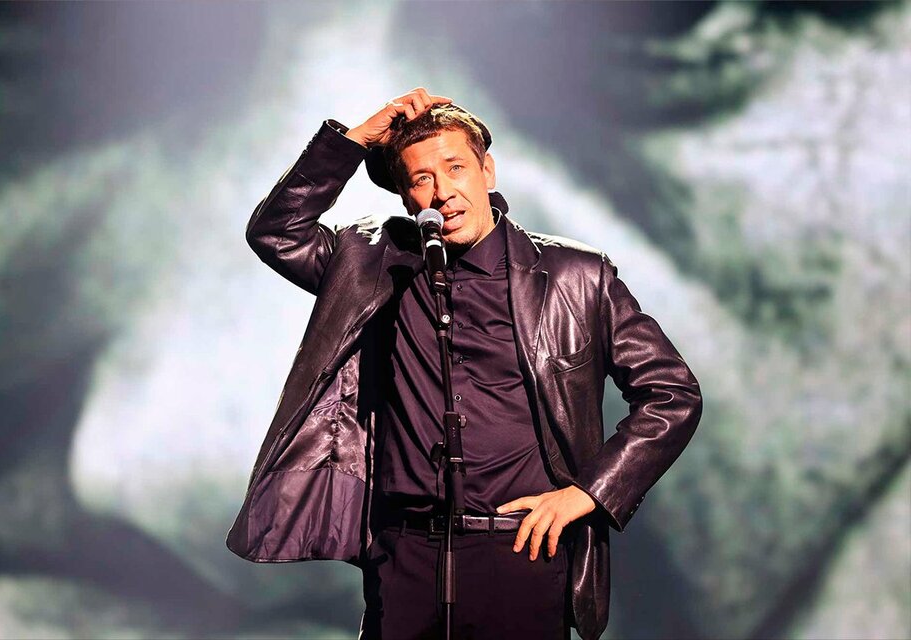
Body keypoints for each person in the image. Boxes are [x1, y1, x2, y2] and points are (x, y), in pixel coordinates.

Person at [226, 88, 702, 640]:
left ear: (487, 171)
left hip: (522, 550)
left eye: (455, 168)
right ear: (405, 195)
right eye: (421, 178)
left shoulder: (576, 276)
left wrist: (589, 493)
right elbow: (276, 231)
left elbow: (672, 392)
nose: (443, 191)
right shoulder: (372, 263)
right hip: (404, 554)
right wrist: (354, 140)